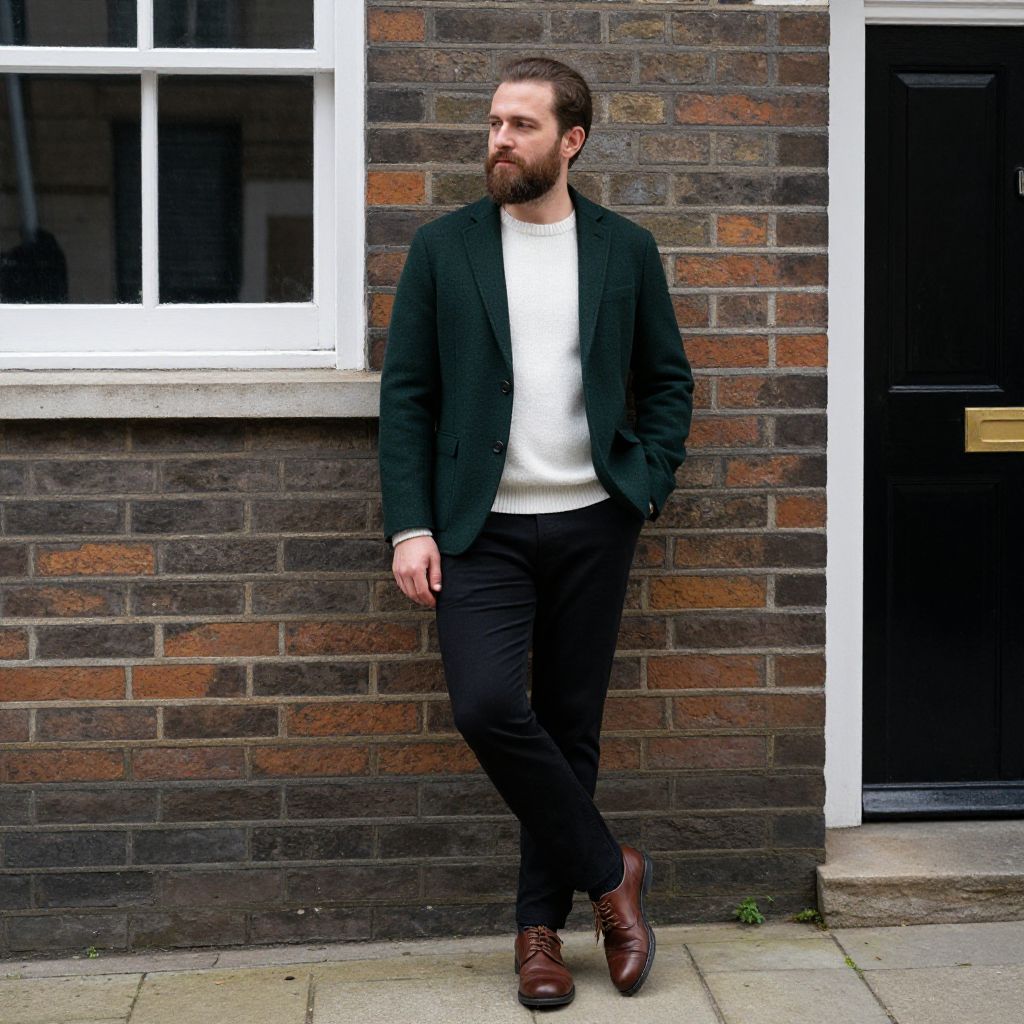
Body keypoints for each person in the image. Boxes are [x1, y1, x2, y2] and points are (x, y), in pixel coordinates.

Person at [378, 56, 694, 1009]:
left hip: (595, 521)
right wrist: (411, 527)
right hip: (483, 532)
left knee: (569, 730)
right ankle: (612, 877)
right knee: (485, 707)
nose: (498, 140)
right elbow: (408, 400)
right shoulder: (445, 248)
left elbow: (668, 381)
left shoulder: (624, 249)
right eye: (492, 123)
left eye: (520, 124)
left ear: (572, 140)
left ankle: (538, 939)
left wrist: (646, 483)